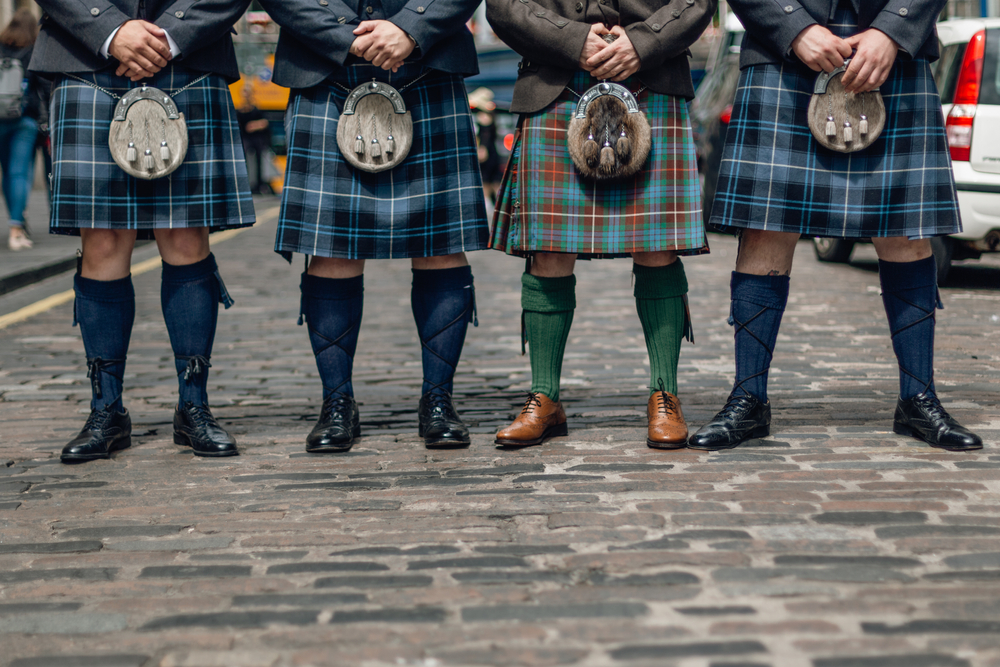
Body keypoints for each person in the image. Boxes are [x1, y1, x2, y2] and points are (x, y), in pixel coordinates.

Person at [688, 0, 983, 452]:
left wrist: (893, 29)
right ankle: (748, 398)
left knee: (904, 225)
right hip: (782, 51)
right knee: (767, 226)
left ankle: (917, 397)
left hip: (891, 50)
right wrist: (793, 26)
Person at [259, 0, 489, 452]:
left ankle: (438, 400)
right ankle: (337, 402)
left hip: (428, 59)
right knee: (331, 247)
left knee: (440, 241)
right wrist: (346, 36)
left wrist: (412, 27)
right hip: (326, 68)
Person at [31, 0, 256, 462]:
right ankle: (106, 409)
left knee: (186, 235)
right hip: (87, 53)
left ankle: (193, 405)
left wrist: (169, 35)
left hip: (189, 54)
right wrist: (111, 31)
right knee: (103, 239)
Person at [486, 0, 716, 449]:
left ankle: (664, 393)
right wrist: (572, 39)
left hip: (652, 74)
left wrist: (643, 40)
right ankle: (545, 397)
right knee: (548, 248)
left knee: (658, 244)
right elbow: (502, 4)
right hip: (554, 79)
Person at [0, 9, 44, 252]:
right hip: (24, 120)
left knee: (7, 173)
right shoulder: (33, 50)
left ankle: (15, 222)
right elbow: (42, 87)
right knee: (18, 173)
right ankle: (16, 231)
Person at [236, 84, 272, 194]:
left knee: (259, 162)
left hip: (257, 138)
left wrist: (253, 125)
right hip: (245, 138)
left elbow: (266, 122)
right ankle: (246, 183)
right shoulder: (239, 110)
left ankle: (259, 184)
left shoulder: (256, 109)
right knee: (243, 160)